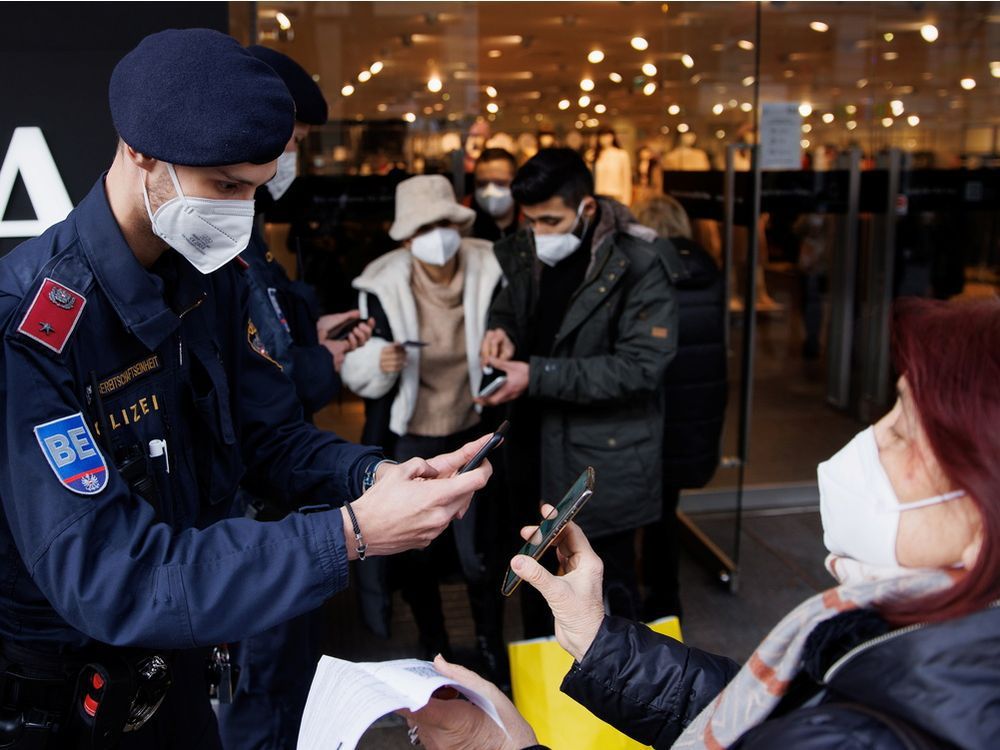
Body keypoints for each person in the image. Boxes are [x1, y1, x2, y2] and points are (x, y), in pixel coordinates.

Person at [0, 29, 492, 749]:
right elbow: (112, 576)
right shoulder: (31, 329)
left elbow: (270, 435)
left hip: (184, 674)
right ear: (140, 152)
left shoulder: (209, 281)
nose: (241, 213)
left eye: (255, 191)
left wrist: (377, 475)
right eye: (225, 187)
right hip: (70, 711)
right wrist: (350, 534)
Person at [406, 297, 1000, 750]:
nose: (867, 445)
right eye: (887, 410)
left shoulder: (873, 730)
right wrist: (596, 638)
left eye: (902, 432)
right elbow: (757, 712)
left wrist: (504, 743)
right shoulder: (918, 640)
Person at [214, 45, 373, 750]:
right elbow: (259, 391)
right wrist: (320, 360)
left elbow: (268, 341)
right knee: (264, 702)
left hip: (289, 508)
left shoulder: (247, 232)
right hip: (258, 523)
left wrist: (312, 331)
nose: (291, 161)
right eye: (293, 144)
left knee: (293, 696)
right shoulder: (214, 240)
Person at [479, 148, 678, 633]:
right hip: (530, 448)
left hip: (595, 460)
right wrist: (500, 327)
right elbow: (513, 307)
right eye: (532, 221)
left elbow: (640, 367)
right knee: (535, 580)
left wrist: (537, 375)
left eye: (551, 220)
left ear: (586, 207)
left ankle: (617, 704)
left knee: (604, 594)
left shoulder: (640, 262)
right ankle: (538, 700)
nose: (540, 233)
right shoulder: (529, 250)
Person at [339, 175, 508, 681]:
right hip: (412, 432)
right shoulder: (381, 282)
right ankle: (435, 645)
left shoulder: (491, 267)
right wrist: (378, 361)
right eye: (423, 228)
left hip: (474, 424)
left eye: (444, 223)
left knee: (484, 549)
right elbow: (357, 368)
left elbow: (510, 328)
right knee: (421, 549)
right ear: (406, 238)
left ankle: (490, 643)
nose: (437, 237)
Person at [632, 195, 727, 621]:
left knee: (642, 507)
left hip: (653, 407)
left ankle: (645, 596)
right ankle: (666, 598)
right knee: (666, 506)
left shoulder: (644, 271)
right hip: (696, 403)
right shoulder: (709, 267)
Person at [469, 148, 521, 243]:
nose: (490, 191)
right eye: (482, 184)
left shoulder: (533, 224)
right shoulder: (463, 228)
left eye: (500, 183)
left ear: (516, 183)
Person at [593, 127, 632, 206]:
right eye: (602, 136)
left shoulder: (621, 154)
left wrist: (626, 200)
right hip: (598, 197)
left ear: (613, 137)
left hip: (616, 196)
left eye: (608, 135)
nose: (605, 139)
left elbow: (626, 179)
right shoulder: (592, 155)